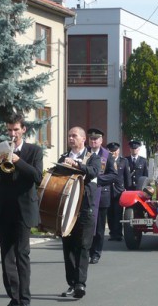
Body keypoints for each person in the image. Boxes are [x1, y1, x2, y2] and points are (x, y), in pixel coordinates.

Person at [0, 113, 43, 306]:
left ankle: (25, 299)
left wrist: (18, 160)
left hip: (23, 210)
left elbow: (36, 176)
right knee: (7, 256)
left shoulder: (34, 150)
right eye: (9, 130)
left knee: (22, 255)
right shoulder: (0, 150)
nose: (12, 133)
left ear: (23, 129)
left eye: (16, 129)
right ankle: (14, 296)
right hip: (4, 209)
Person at [59, 127, 100, 299]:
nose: (71, 138)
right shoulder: (63, 157)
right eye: (69, 135)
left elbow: (93, 172)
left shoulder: (93, 158)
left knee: (83, 246)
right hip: (67, 208)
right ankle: (71, 283)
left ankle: (80, 284)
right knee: (68, 246)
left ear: (83, 139)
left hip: (85, 208)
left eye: (74, 136)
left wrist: (76, 164)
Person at [86, 128, 117, 265]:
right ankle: (86, 251)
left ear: (101, 140)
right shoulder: (84, 153)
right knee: (86, 226)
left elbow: (113, 175)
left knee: (98, 228)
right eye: (91, 139)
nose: (93, 141)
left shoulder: (107, 155)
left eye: (96, 139)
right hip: (85, 194)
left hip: (101, 194)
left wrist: (97, 180)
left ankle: (96, 253)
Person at [103, 142, 131, 242]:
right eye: (111, 151)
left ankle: (118, 234)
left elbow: (127, 176)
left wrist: (128, 189)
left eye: (115, 151)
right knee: (109, 213)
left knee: (118, 213)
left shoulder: (123, 161)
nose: (113, 153)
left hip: (119, 191)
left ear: (118, 151)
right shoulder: (105, 161)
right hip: (108, 190)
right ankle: (112, 233)